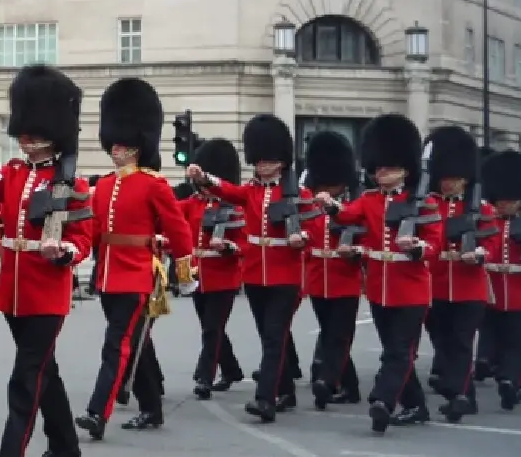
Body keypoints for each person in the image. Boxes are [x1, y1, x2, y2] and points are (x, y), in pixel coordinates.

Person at [0, 66, 93, 457]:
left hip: (48, 289)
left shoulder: (73, 184)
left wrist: (65, 251)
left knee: (27, 374)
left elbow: (83, 239)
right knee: (44, 368)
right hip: (14, 286)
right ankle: (66, 446)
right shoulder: (12, 174)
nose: (26, 138)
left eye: (34, 131)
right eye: (23, 131)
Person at [78, 79, 192, 439]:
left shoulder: (154, 184)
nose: (116, 149)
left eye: (123, 144)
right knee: (134, 343)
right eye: (114, 143)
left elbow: (179, 229)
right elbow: (92, 231)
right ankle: (152, 407)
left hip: (137, 275)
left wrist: (185, 272)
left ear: (137, 146)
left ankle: (98, 412)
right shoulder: (106, 186)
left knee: (116, 345)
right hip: (108, 276)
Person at [319, 115, 443, 434]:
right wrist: (331, 206)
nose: (381, 173)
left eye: (387, 168)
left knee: (399, 350)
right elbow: (348, 216)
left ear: (405, 169)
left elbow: (435, 242)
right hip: (379, 287)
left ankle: (383, 400)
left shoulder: (423, 202)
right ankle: (415, 405)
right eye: (378, 168)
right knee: (395, 351)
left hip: (411, 290)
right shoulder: (370, 199)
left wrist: (417, 247)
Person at [187, 114, 309, 424]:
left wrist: (301, 237)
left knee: (273, 336)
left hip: (285, 274)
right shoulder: (251, 192)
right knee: (269, 336)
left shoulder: (297, 194)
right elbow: (226, 190)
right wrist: (204, 178)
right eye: (259, 161)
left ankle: (265, 399)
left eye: (270, 161)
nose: (264, 166)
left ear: (282, 162)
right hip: (255, 274)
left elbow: (317, 225)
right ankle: (285, 391)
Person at [421, 126, 489, 421]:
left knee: (461, 342)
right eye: (446, 178)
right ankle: (463, 394)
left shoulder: (481, 209)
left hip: (468, 286)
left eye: (456, 179)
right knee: (442, 343)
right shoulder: (429, 205)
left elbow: (493, 242)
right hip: (436, 285)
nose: (450, 184)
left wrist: (480, 254)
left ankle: (460, 396)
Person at [479, 151, 521, 412]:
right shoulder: (487, 223)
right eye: (501, 200)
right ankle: (506, 375)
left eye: (511, 200)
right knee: (495, 339)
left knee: (517, 342)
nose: (505, 204)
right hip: (494, 291)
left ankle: (510, 381)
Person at [300, 131, 365, 410]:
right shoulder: (310, 205)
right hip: (318, 278)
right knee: (330, 333)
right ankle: (350, 387)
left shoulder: (353, 205)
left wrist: (356, 253)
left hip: (345, 278)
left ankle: (327, 381)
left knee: (338, 335)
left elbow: (366, 237)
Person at [183, 138, 247, 399]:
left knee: (212, 327)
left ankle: (205, 377)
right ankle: (230, 369)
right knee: (212, 327)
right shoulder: (192, 203)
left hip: (224, 275)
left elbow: (244, 241)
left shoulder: (233, 207)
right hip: (198, 274)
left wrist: (230, 247)